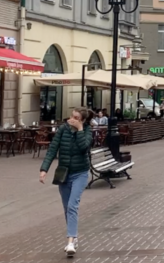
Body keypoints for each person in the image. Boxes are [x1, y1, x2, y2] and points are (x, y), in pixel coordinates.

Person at [39, 107, 92, 257]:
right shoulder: (63, 129)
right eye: (71, 116)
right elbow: (52, 149)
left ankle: (70, 242)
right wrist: (44, 169)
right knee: (66, 208)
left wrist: (80, 129)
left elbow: (84, 148)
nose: (71, 119)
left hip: (80, 173)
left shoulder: (87, 131)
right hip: (64, 173)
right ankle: (74, 237)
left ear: (82, 120)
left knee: (72, 206)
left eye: (75, 118)